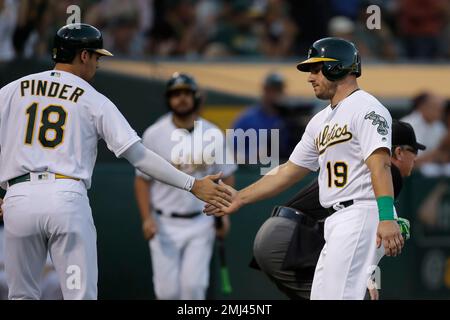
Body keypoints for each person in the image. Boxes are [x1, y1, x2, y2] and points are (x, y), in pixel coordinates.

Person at [0, 23, 231, 300]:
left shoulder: (12, 89)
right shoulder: (93, 99)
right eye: (96, 57)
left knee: (21, 296)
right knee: (79, 296)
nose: (98, 65)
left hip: (18, 198)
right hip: (65, 198)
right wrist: (192, 184)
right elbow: (139, 156)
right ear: (83, 56)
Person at [205, 37, 405, 300]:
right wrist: (239, 197)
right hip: (335, 219)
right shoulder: (320, 120)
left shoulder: (367, 107)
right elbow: (289, 170)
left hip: (361, 212)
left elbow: (380, 166)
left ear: (337, 67)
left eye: (316, 68)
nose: (310, 77)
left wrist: (386, 218)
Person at [250, 120, 424, 300]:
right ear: (399, 152)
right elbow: (361, 229)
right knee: (353, 293)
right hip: (296, 239)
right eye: (414, 151)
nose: (416, 158)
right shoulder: (387, 174)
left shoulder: (357, 166)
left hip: (282, 234)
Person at [134, 72, 236, 300]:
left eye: (186, 93)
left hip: (201, 221)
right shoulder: (154, 133)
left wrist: (225, 213)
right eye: (176, 94)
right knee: (166, 292)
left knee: (194, 289)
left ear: (195, 97)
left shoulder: (212, 133)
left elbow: (227, 176)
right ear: (168, 99)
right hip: (164, 223)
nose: (181, 99)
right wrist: (146, 218)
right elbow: (142, 180)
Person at [232, 72, 293, 159]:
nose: (276, 94)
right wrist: (254, 155)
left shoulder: (290, 118)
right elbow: (230, 153)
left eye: (279, 90)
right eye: (272, 90)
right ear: (265, 90)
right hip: (251, 171)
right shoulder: (247, 118)